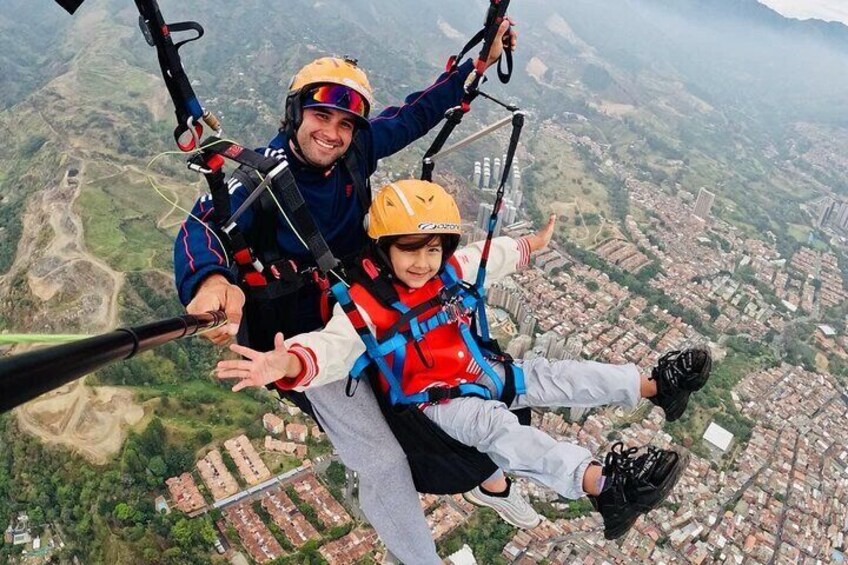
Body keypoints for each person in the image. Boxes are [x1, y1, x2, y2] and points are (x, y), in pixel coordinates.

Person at [174, 21, 534, 564]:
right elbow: (201, 229)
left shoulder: (355, 154)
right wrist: (211, 279)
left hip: (368, 304)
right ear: (296, 115)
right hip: (306, 340)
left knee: (454, 378)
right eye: (321, 116)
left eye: (345, 122)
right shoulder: (257, 182)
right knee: (383, 458)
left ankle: (492, 483)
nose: (333, 132)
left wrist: (474, 66)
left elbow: (413, 114)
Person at [216, 179, 714, 540]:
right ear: (383, 249)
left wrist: (530, 246)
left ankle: (654, 385)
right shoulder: (366, 305)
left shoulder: (450, 272)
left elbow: (490, 256)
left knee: (554, 376)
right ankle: (599, 484)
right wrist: (285, 366)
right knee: (502, 430)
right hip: (441, 403)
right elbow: (332, 348)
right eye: (407, 250)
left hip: (482, 370)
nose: (422, 261)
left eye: (431, 249)